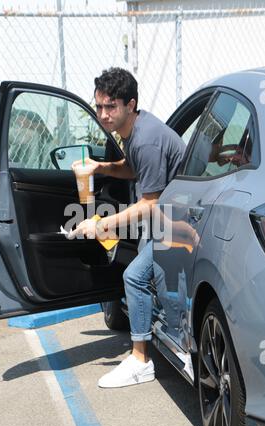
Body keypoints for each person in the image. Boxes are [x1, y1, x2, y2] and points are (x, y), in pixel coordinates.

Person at [69, 67, 188, 388]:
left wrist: (103, 223)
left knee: (134, 276)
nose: (103, 114)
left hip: (180, 222)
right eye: (98, 106)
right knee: (142, 272)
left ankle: (140, 359)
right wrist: (101, 166)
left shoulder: (146, 139)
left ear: (130, 104)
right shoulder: (135, 131)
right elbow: (133, 168)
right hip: (167, 216)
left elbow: (150, 201)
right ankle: (162, 331)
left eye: (111, 107)